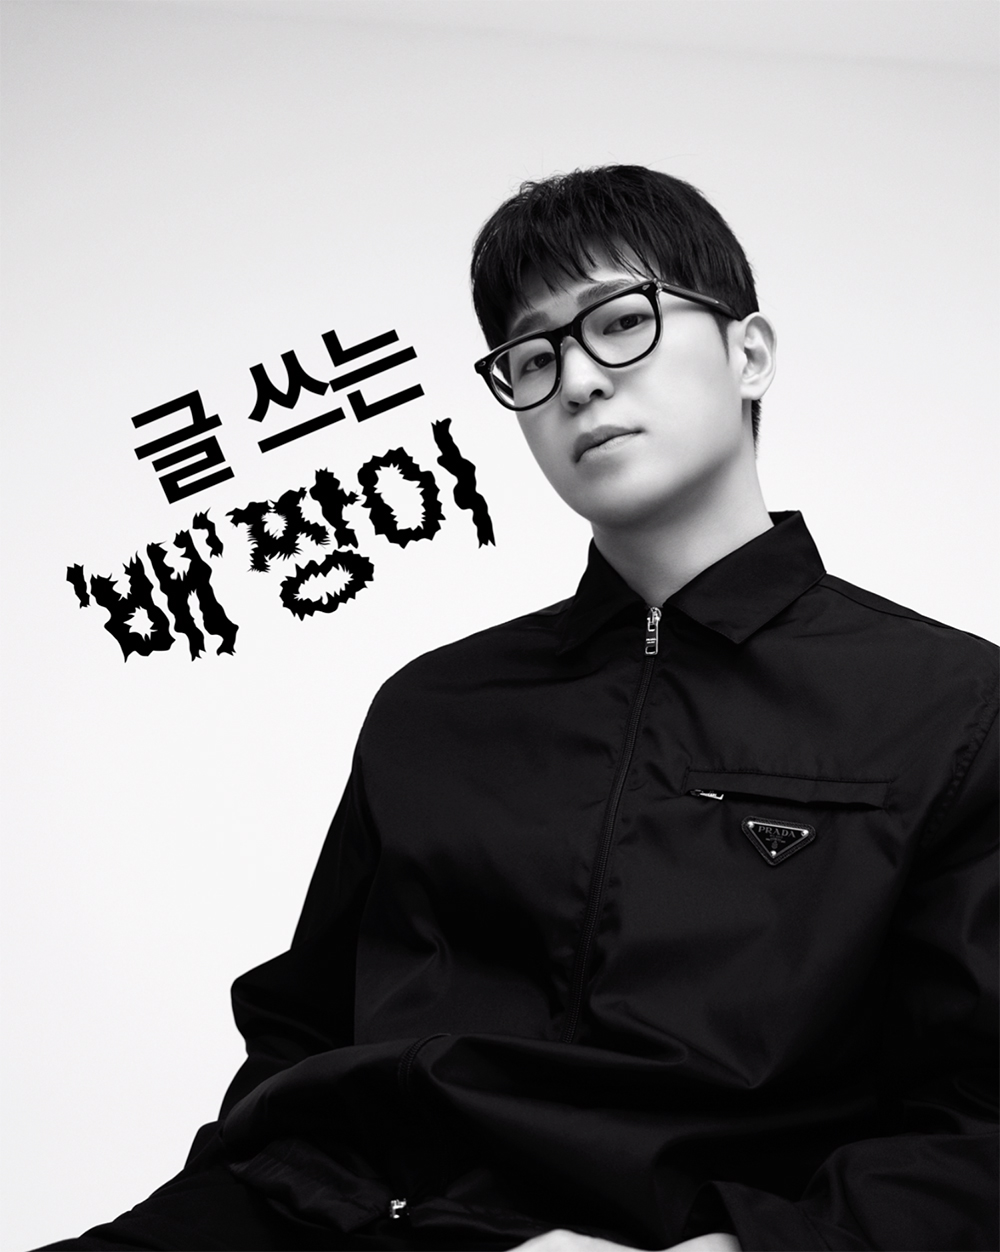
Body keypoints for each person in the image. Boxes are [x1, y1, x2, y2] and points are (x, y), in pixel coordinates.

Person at [40, 165, 997, 1252]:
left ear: (750, 355)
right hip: (315, 1215)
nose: (576, 381)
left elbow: (980, 1128)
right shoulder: (432, 707)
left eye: (621, 323)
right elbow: (302, 1028)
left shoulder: (950, 709)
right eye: (532, 358)